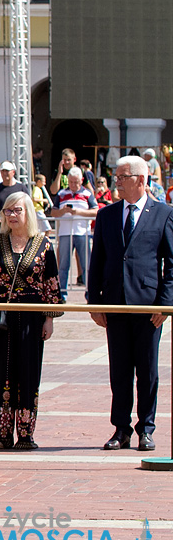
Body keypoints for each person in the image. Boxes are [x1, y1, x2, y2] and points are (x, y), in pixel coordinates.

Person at [88, 155, 173, 452]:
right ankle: (120, 428)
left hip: (148, 307)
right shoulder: (108, 215)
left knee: (148, 371)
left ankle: (145, 429)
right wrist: (94, 301)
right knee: (120, 369)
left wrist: (164, 304)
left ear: (140, 179)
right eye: (116, 177)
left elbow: (171, 264)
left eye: (122, 177)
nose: (117, 182)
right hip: (115, 304)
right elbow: (97, 260)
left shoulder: (163, 213)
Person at [0, 192, 63, 450]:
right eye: (8, 211)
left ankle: (25, 434)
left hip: (31, 317)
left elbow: (51, 284)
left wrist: (49, 319)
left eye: (17, 210)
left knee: (27, 372)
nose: (12, 215)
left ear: (28, 212)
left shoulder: (43, 244)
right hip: (0, 316)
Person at [50, 166, 98, 299]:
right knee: (63, 265)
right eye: (71, 182)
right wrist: (62, 211)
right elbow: (53, 212)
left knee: (86, 265)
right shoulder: (61, 194)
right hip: (65, 233)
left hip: (82, 232)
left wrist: (79, 213)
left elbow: (96, 211)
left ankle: (90, 293)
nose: (73, 185)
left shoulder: (87, 194)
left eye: (76, 182)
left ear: (81, 180)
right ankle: (62, 294)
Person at [0, 161, 28, 232]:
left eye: (7, 171)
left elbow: (28, 208)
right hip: (0, 229)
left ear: (13, 172)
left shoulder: (21, 188)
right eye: (2, 171)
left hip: (18, 228)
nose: (5, 174)